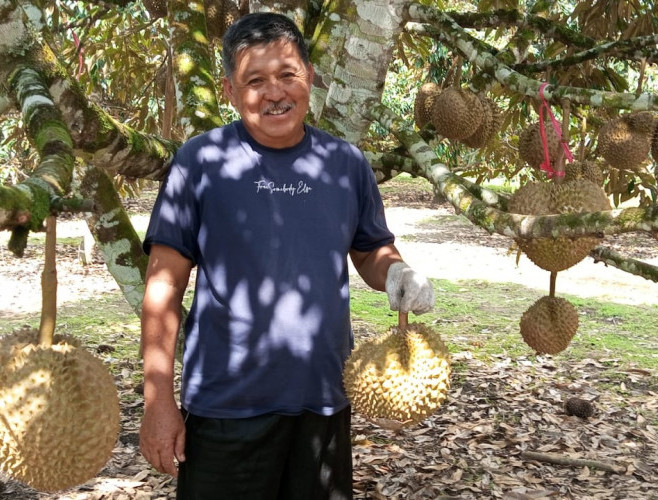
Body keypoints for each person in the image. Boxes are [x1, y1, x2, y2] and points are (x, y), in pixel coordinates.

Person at [138, 12, 435, 500]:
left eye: (287, 75)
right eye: (255, 80)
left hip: (323, 401)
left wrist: (396, 270)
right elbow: (163, 288)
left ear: (309, 78)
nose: (274, 93)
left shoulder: (345, 164)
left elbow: (369, 250)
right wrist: (158, 403)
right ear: (231, 91)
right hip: (225, 407)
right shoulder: (200, 162)